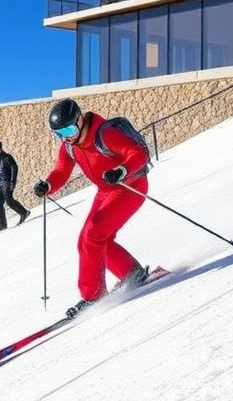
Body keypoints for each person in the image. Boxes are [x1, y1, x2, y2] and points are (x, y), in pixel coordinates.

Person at [32, 98, 151, 318]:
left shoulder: (103, 134)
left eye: (67, 129)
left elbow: (138, 153)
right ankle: (132, 274)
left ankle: (94, 296)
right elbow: (61, 170)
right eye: (58, 133)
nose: (65, 136)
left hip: (129, 188)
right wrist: (48, 185)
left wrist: (121, 170)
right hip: (106, 191)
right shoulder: (70, 146)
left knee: (94, 234)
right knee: (86, 242)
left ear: (80, 119)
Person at [0, 140, 31, 232]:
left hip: (7, 182)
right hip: (0, 183)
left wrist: (12, 182)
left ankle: (24, 212)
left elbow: (15, 168)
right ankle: (2, 225)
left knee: (9, 201)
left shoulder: (8, 157)